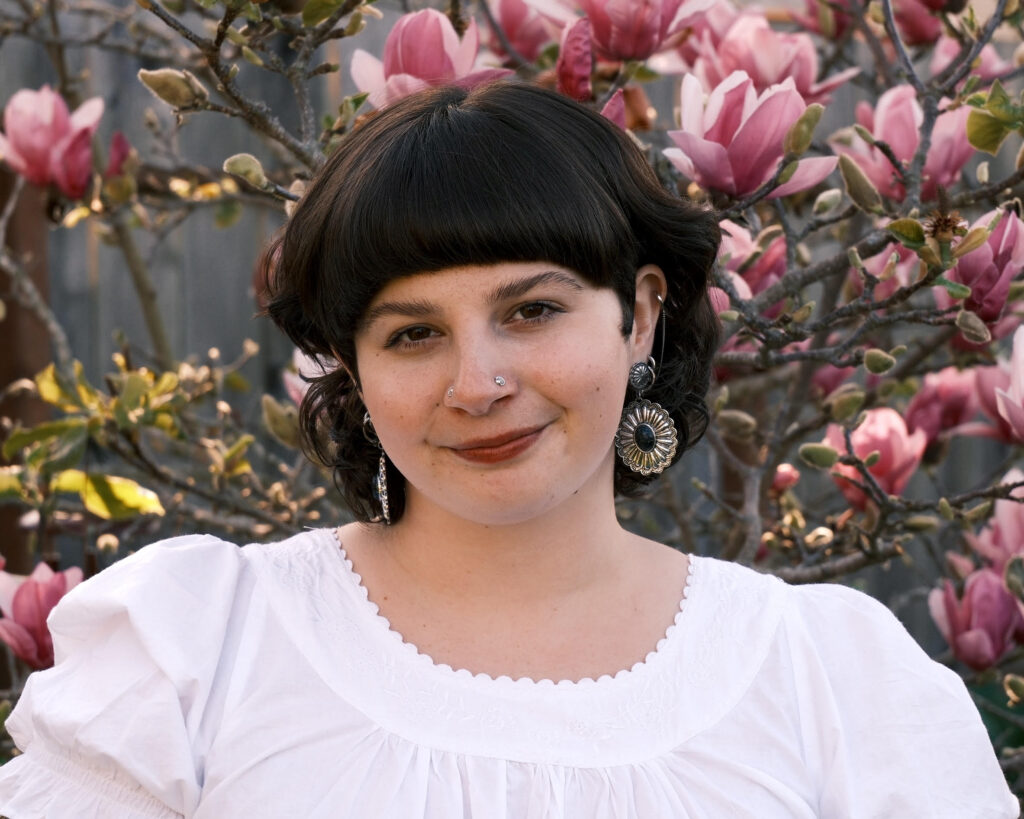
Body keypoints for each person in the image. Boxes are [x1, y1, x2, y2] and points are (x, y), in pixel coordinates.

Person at [0, 82, 1014, 818]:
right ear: (352, 367)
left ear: (640, 315)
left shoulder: (832, 676)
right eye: (413, 334)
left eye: (531, 310)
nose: (477, 382)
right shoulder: (199, 650)